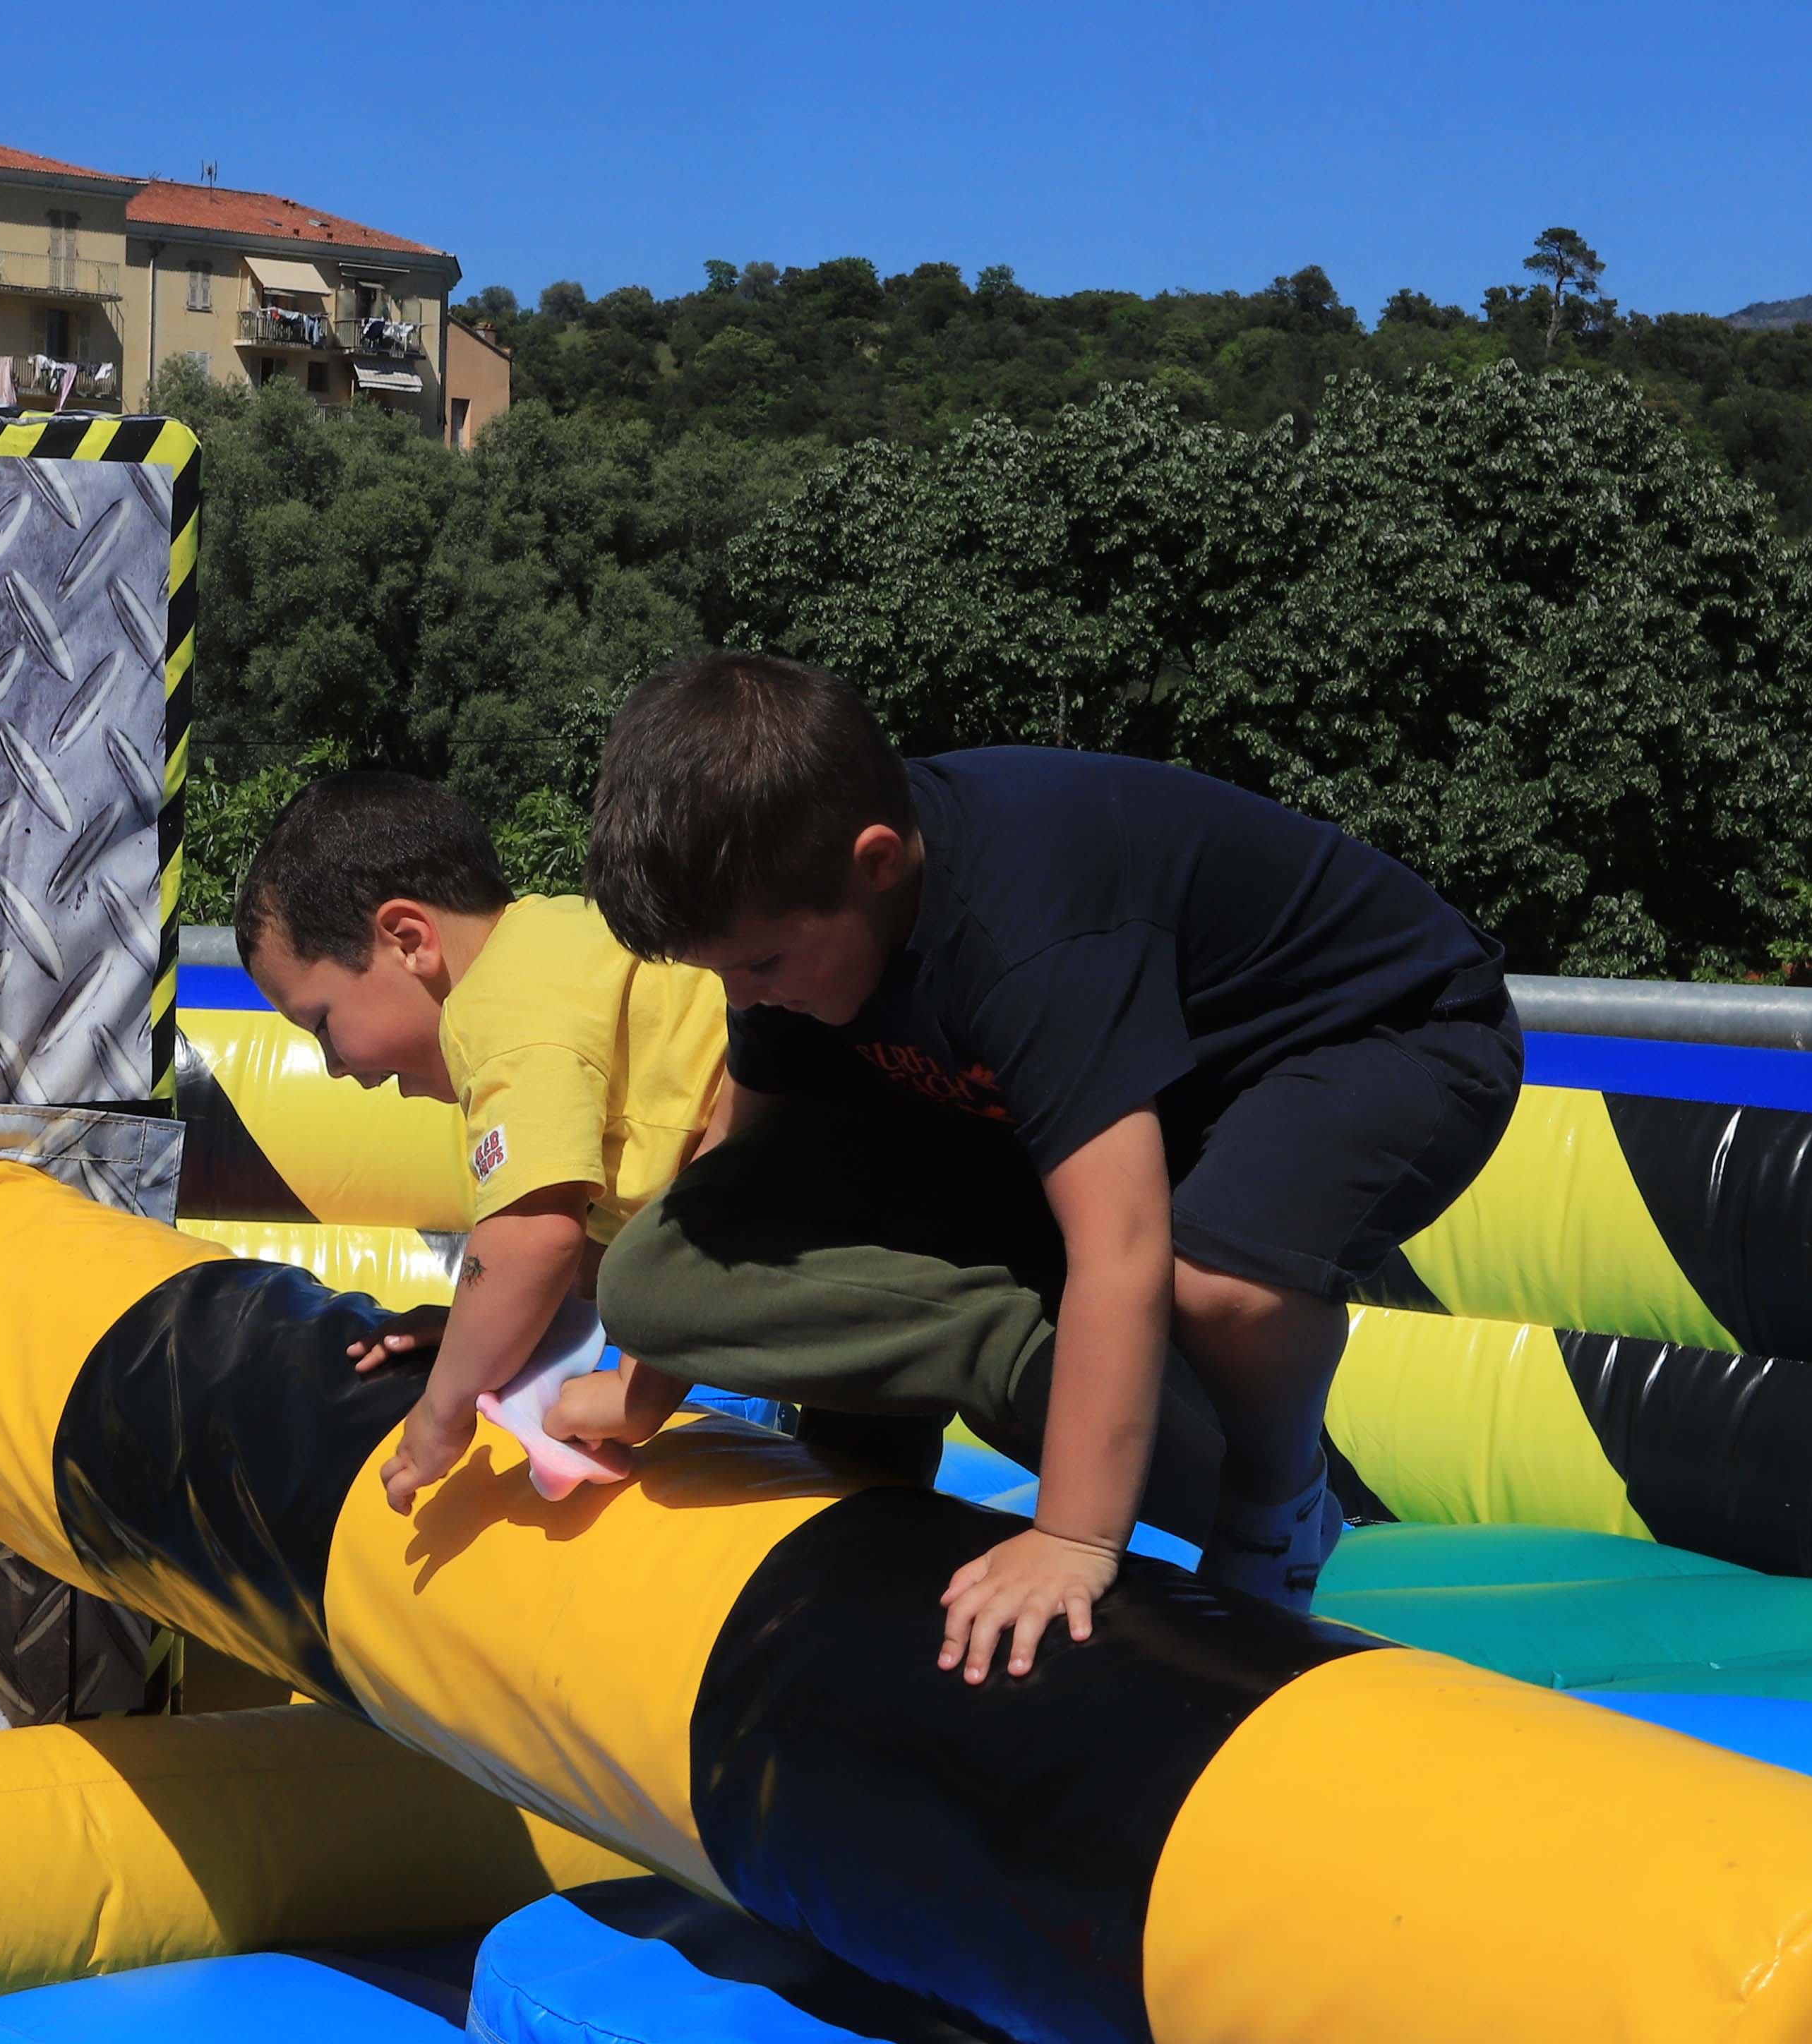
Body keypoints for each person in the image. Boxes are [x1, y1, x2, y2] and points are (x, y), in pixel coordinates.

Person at [573, 654, 1522, 1684]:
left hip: (1380, 1035)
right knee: (669, 1262)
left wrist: (1071, 1539)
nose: (745, 995)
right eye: (719, 973)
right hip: (1141, 1078)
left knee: (1217, 1281)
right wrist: (641, 1379)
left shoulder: (1026, 928)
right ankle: (880, 1465)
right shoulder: (797, 919)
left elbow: (1121, 1244)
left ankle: (1275, 1495)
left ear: (877, 862)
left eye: (759, 965)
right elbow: (742, 1167)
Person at [234, 770, 728, 1514]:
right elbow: (586, 1248)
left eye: (322, 1025)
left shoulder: (498, 1011)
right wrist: (482, 1331)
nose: (335, 1067)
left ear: (408, 940)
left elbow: (535, 1235)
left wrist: (444, 1407)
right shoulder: (555, 940)